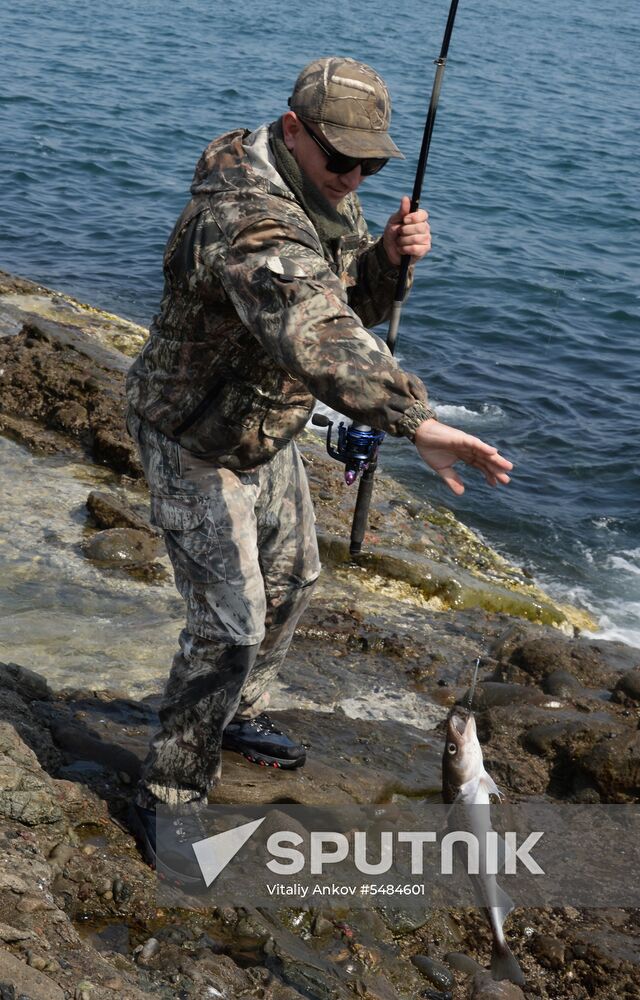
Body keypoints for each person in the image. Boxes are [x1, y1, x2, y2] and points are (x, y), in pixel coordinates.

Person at [124, 56, 512, 886]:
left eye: (370, 163)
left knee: (296, 580)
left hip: (261, 426)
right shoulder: (247, 217)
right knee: (228, 625)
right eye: (341, 159)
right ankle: (169, 793)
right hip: (192, 434)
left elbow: (339, 297)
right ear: (293, 129)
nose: (355, 176)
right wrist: (418, 423)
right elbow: (313, 330)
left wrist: (385, 264)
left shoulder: (318, 184)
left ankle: (232, 717)